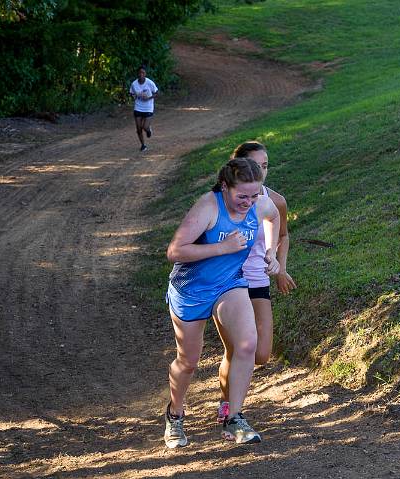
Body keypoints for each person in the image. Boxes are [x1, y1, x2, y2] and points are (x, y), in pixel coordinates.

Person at [164, 157, 281, 448]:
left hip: (230, 283)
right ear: (226, 187)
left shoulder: (259, 204)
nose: (249, 202)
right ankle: (175, 415)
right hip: (191, 290)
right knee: (188, 362)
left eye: (255, 195)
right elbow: (175, 251)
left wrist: (271, 252)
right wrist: (222, 247)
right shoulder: (208, 206)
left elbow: (274, 215)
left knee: (246, 344)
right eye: (242, 195)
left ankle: (235, 417)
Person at [215, 141, 297, 423]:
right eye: (254, 166)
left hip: (258, 279)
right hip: (227, 282)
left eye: (265, 166)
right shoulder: (222, 201)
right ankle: (229, 408)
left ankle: (230, 403)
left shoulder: (275, 201)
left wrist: (279, 266)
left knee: (261, 353)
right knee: (237, 348)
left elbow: (283, 234)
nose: (261, 172)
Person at [129, 65, 158, 152]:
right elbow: (131, 93)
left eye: (143, 73)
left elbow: (157, 93)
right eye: (140, 72)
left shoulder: (150, 83)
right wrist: (134, 96)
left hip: (148, 107)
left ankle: (148, 130)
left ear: (145, 74)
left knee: (144, 127)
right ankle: (143, 145)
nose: (141, 74)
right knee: (138, 128)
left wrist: (148, 98)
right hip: (138, 107)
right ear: (137, 74)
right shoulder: (134, 84)